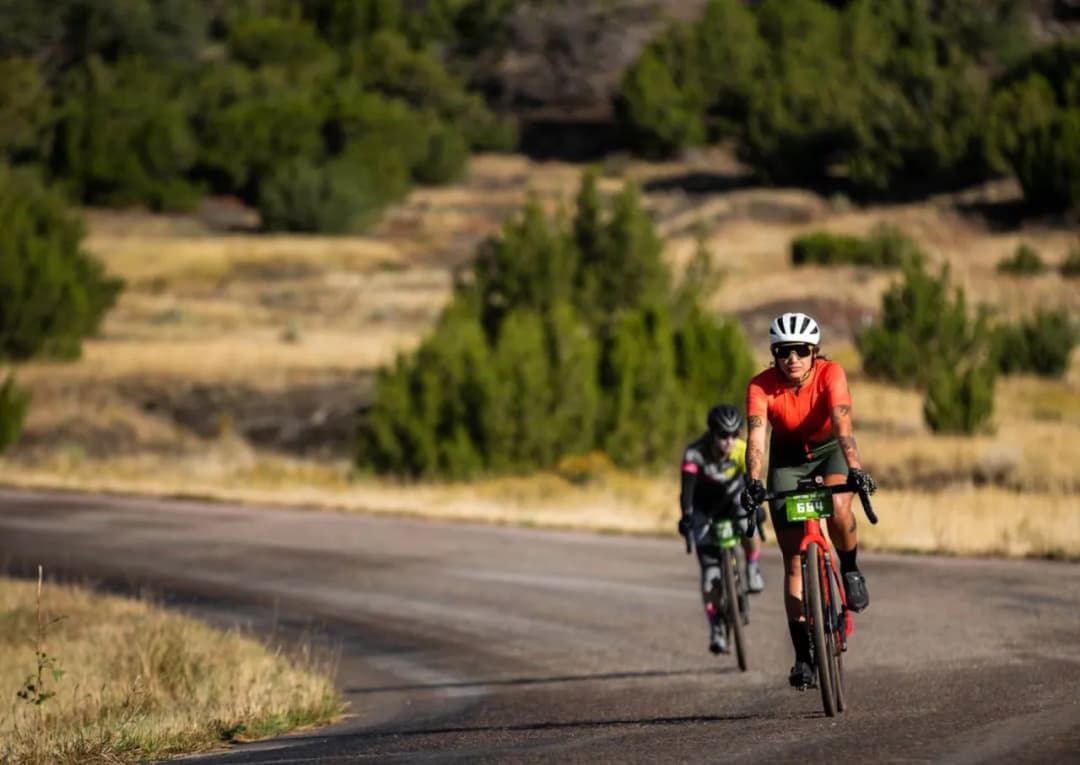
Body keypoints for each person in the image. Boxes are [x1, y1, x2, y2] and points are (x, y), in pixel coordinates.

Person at [740, 312, 877, 689]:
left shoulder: (831, 374)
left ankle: (849, 568)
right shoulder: (760, 386)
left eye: (801, 350)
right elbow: (756, 439)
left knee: (838, 505)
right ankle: (803, 656)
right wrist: (753, 481)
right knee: (793, 563)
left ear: (814, 352)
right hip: (787, 460)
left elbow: (842, 422)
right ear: (774, 354)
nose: (793, 359)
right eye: (784, 352)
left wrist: (855, 468)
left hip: (829, 450)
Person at [678, 403, 766, 655]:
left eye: (733, 435)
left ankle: (752, 565)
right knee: (709, 577)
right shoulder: (694, 453)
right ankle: (716, 625)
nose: (729, 441)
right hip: (704, 508)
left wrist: (757, 508)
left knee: (748, 521)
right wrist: (686, 517)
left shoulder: (741, 450)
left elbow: (752, 483)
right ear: (712, 434)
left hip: (732, 501)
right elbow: (687, 491)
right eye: (723, 435)